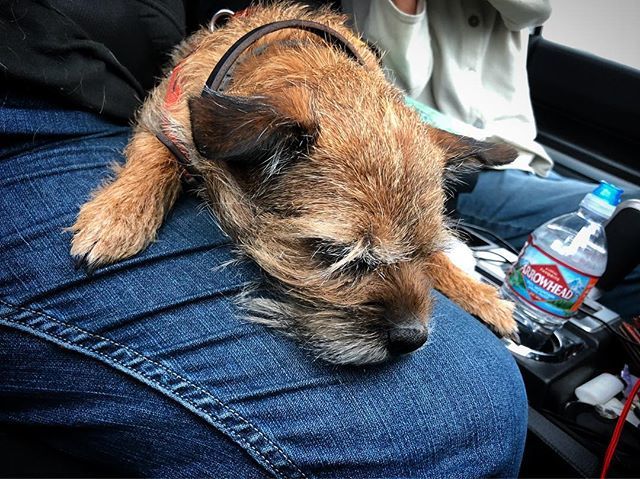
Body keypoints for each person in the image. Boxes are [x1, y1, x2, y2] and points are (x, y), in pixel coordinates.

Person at [0, 1, 527, 477]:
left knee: (488, 392)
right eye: (337, 256)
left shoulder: (383, 117)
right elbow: (181, 121)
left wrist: (440, 266)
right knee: (465, 416)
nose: (413, 327)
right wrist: (144, 182)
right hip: (32, 108)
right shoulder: (244, 131)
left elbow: (390, 226)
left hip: (173, 82)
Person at [343, 0, 639, 318]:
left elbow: (533, 10)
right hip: (455, 164)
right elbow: (399, 79)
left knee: (626, 219)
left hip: (520, 152)